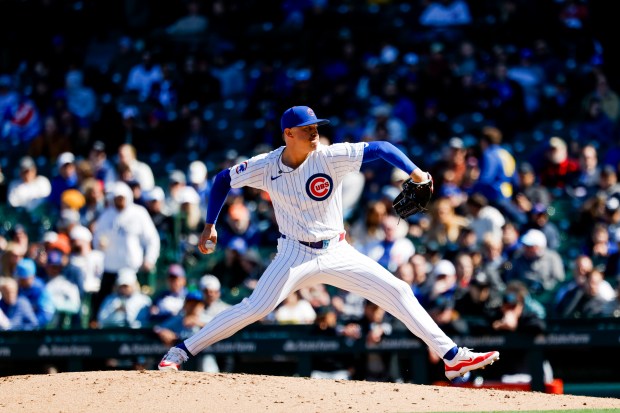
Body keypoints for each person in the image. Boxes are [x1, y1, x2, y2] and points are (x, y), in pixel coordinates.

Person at [158, 105, 500, 380]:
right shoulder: (266, 166)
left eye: (316, 127)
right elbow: (222, 179)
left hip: (336, 250)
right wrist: (209, 225)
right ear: (288, 134)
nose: (315, 132)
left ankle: (452, 357)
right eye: (308, 129)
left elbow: (381, 148)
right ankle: (182, 351)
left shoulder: (329, 155)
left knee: (398, 291)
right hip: (293, 253)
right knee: (255, 308)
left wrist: (417, 173)